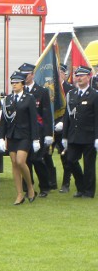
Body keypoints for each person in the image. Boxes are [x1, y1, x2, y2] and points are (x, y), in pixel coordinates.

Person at [0, 71, 39, 205]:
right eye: (12, 83)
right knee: (14, 163)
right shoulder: (8, 99)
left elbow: (34, 119)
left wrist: (36, 139)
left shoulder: (29, 98)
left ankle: (30, 187)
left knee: (21, 161)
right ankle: (20, 193)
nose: (14, 85)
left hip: (25, 135)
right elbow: (4, 120)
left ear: (22, 84)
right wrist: (1, 137)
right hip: (12, 135)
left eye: (16, 83)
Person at [19, 62, 55, 197]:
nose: (24, 77)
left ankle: (45, 186)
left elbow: (46, 113)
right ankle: (28, 187)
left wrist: (48, 133)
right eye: (22, 74)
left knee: (37, 160)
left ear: (33, 75)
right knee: (24, 161)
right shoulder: (18, 91)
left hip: (38, 131)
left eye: (27, 74)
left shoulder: (42, 91)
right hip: (23, 132)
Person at [62, 65, 98, 198]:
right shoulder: (71, 94)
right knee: (70, 161)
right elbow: (67, 116)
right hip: (74, 135)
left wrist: (97, 137)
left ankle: (88, 191)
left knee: (89, 165)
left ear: (89, 77)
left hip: (89, 135)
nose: (79, 78)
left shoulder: (94, 95)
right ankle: (81, 186)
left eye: (82, 75)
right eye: (77, 76)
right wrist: (64, 136)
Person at [54, 63, 80, 193]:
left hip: (65, 126)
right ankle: (50, 181)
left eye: (59, 73)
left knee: (66, 157)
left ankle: (66, 183)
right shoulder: (49, 88)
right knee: (43, 155)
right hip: (50, 126)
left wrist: (64, 123)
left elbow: (72, 109)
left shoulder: (69, 89)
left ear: (64, 74)